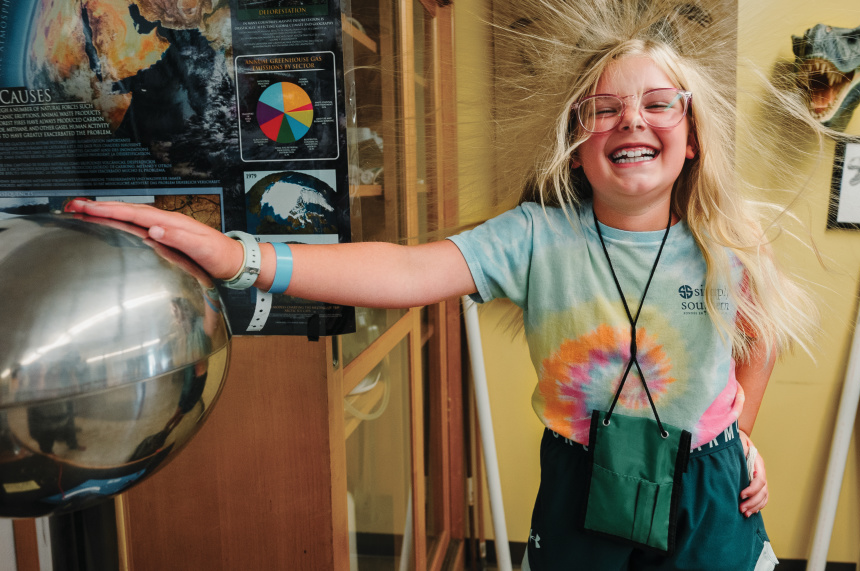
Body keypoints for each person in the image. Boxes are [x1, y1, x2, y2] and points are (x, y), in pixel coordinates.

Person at [67, 34, 816, 571]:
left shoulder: (732, 240)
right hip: (584, 485)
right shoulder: (534, 238)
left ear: (691, 140)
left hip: (712, 487)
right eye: (604, 109)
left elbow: (758, 338)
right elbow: (402, 270)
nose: (632, 120)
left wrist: (739, 432)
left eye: (659, 105)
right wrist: (242, 258)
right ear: (575, 147)